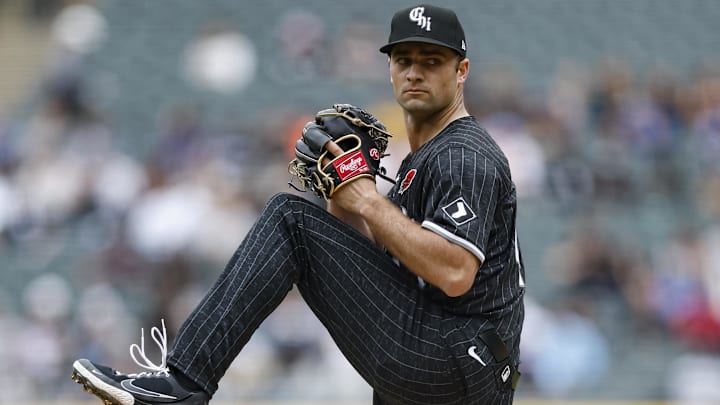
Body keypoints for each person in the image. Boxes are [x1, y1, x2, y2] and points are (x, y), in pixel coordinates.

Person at [71, 4, 525, 405]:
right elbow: (392, 268)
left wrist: (366, 197)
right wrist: (344, 201)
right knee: (303, 229)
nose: (415, 72)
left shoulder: (463, 154)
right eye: (404, 60)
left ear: (461, 71)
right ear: (389, 69)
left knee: (289, 219)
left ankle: (183, 382)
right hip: (447, 356)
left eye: (432, 61)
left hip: (456, 355)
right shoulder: (425, 157)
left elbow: (453, 272)